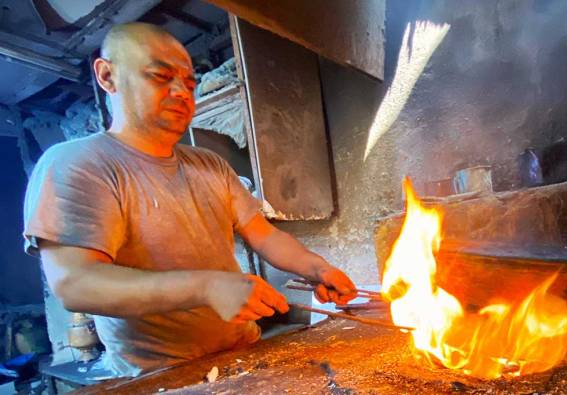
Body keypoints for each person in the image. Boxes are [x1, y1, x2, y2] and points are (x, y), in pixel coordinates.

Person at [23, 22, 356, 377]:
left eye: (190, 83)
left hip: (244, 352)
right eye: (160, 76)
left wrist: (319, 269)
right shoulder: (77, 164)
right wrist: (207, 286)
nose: (182, 92)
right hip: (161, 374)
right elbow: (75, 284)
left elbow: (266, 236)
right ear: (107, 76)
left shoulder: (210, 165)